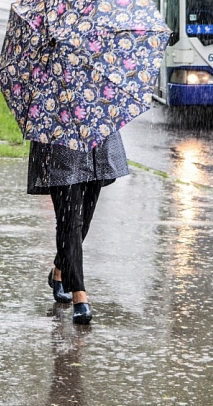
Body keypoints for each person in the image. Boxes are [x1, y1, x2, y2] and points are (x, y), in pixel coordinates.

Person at [28, 131, 129, 325]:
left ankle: (60, 268)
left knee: (84, 220)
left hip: (96, 146)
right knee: (70, 220)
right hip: (60, 144)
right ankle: (79, 294)